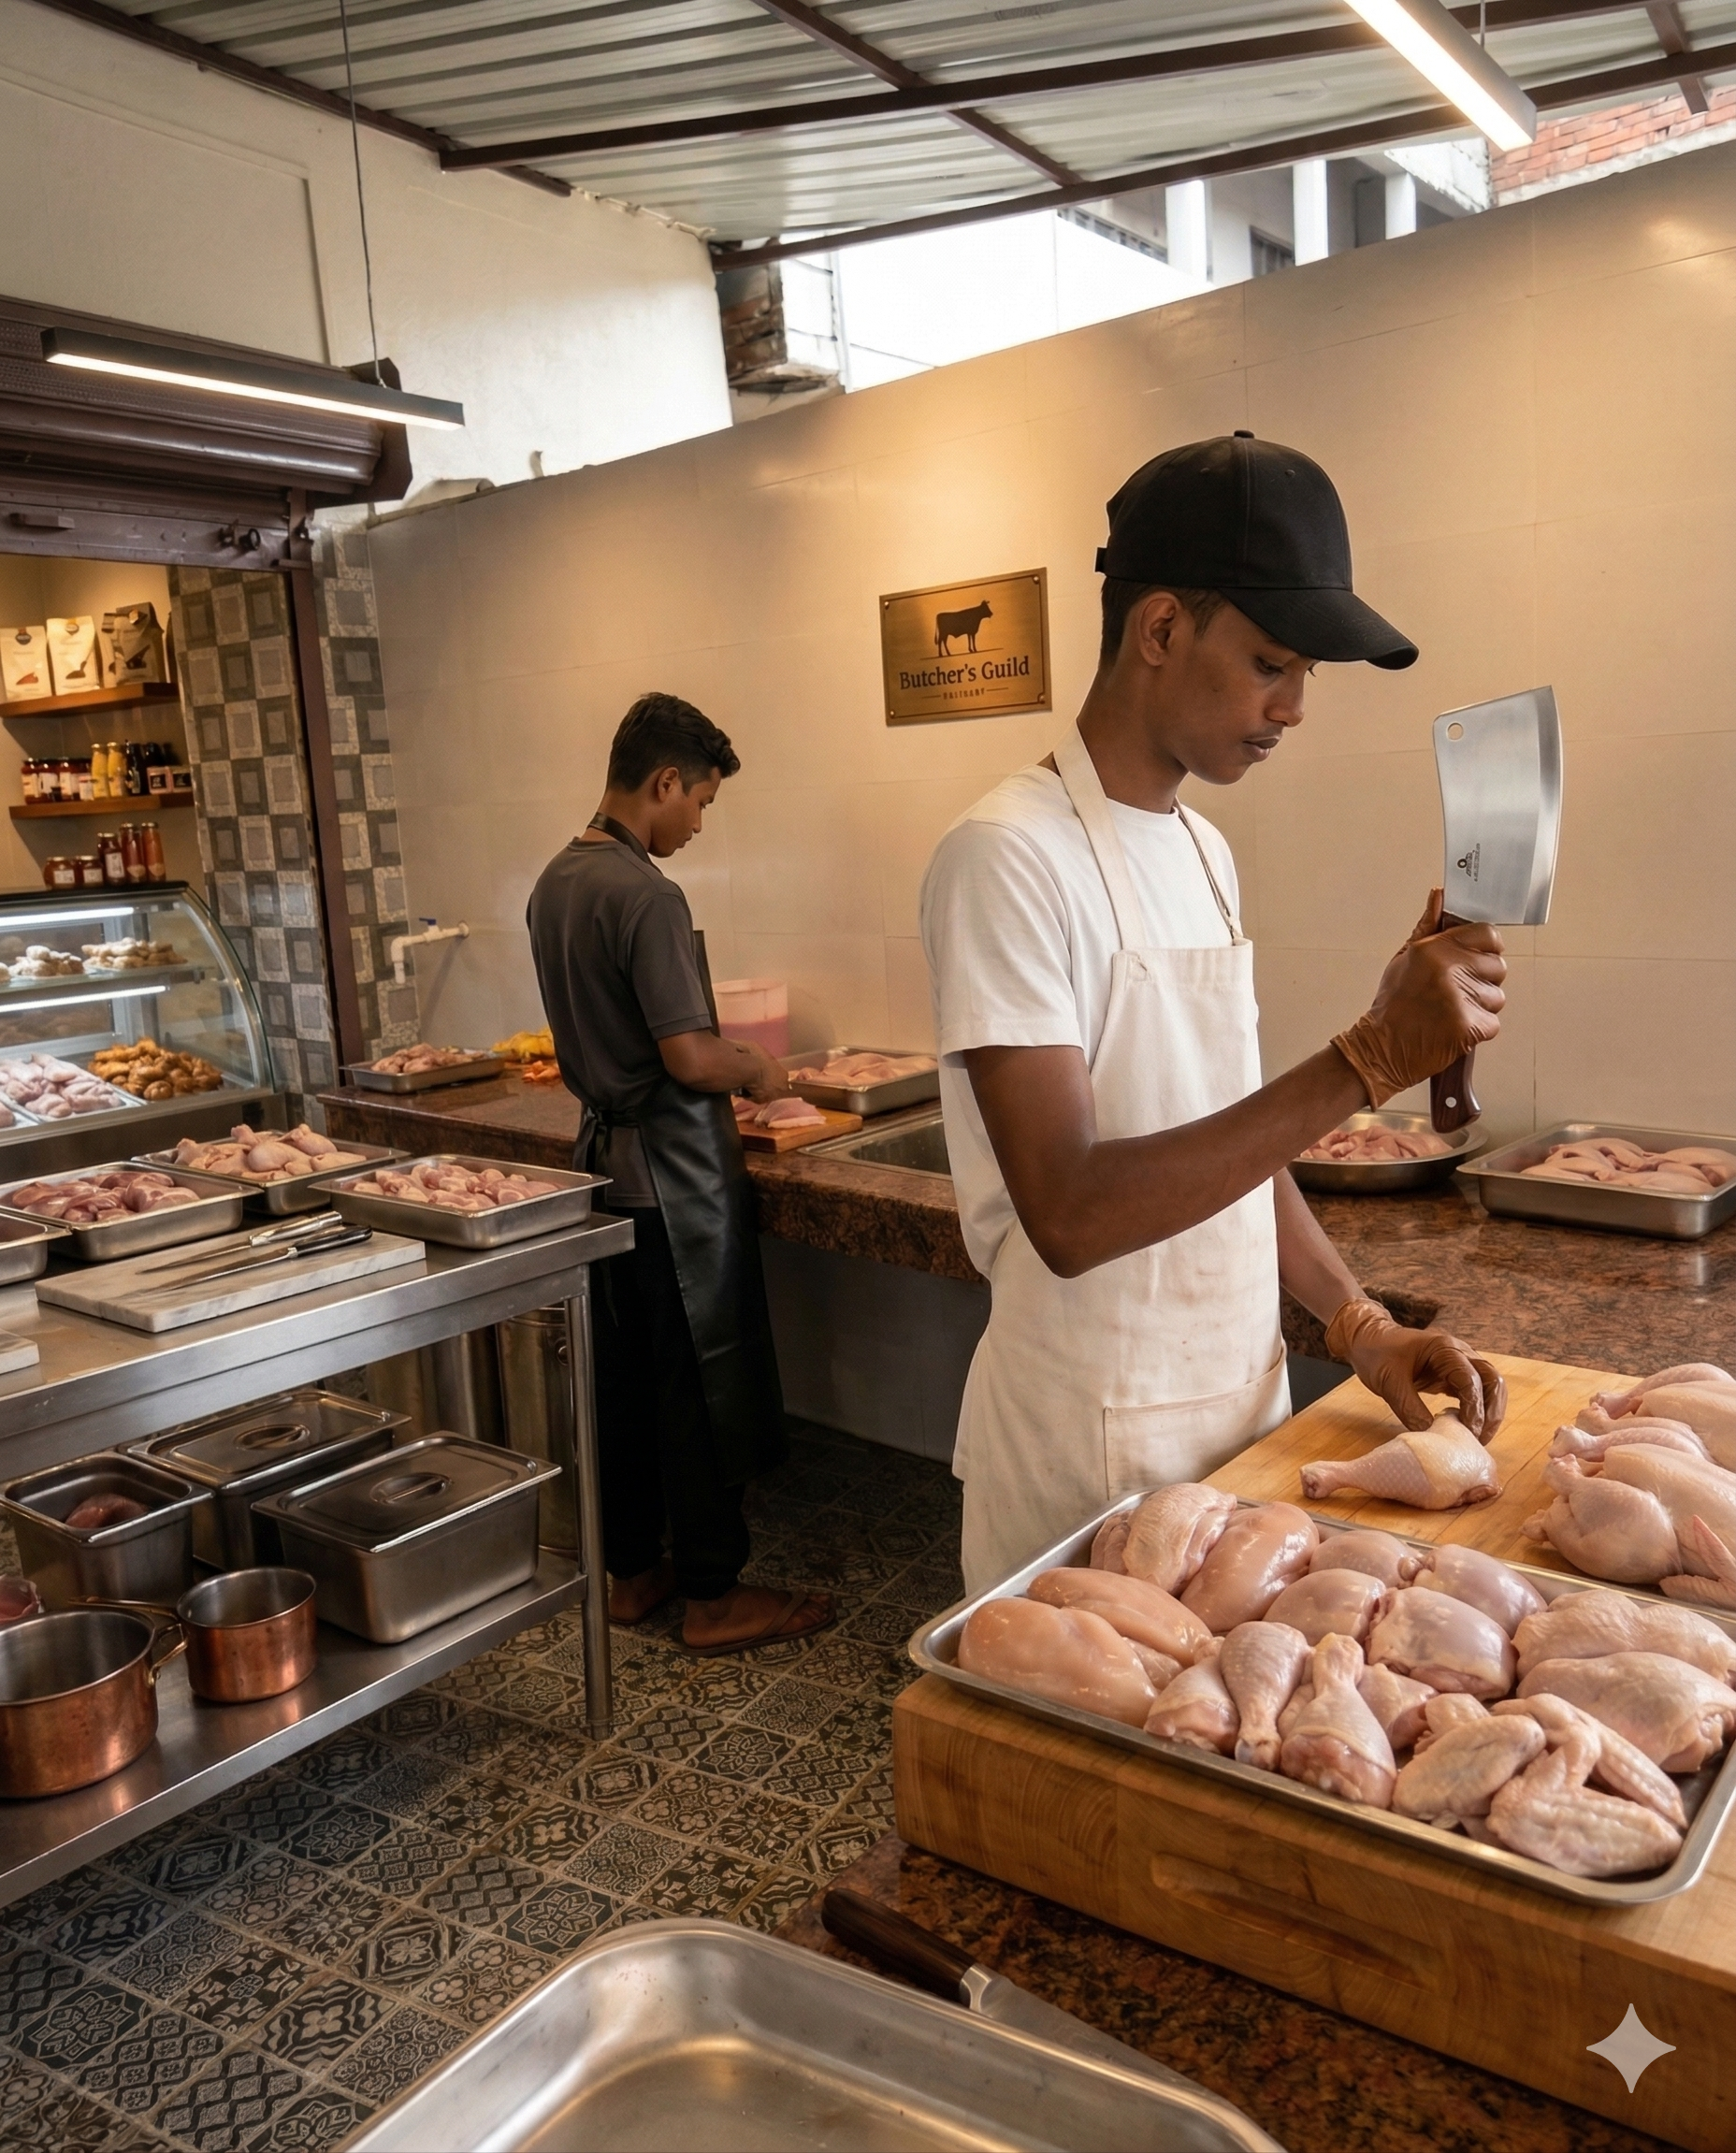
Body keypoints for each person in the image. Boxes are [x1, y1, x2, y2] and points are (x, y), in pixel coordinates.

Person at [919, 433, 1511, 1594]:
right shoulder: (1004, 856)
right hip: (1087, 1455)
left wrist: (1355, 1325)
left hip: (1237, 1420)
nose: (1292, 708)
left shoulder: (1202, 850)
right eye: (1269, 664)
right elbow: (1072, 1210)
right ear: (1156, 631)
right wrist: (1365, 1055)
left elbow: (1227, 1140)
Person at [528, 692, 833, 1652]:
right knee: (701, 1387)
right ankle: (711, 1593)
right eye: (699, 800)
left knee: (624, 1386)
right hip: (672, 1179)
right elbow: (690, 1059)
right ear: (662, 782)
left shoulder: (554, 882)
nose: (699, 822)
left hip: (603, 1173)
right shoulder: (644, 892)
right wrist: (761, 1070)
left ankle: (634, 1571)